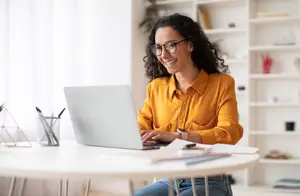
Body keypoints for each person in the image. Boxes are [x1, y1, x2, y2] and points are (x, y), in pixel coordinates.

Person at [135, 13, 243, 196]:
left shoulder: (221, 84)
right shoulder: (156, 88)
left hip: (210, 179)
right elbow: (140, 129)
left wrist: (179, 136)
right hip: (168, 179)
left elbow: (229, 132)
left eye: (171, 45)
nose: (163, 55)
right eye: (159, 48)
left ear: (190, 44)